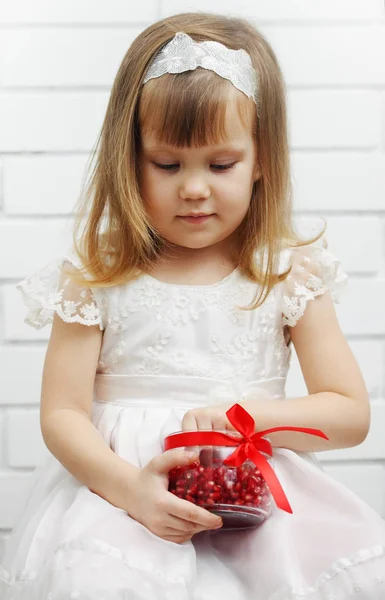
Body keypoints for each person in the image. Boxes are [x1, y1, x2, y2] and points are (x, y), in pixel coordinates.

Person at [1, 11, 384, 600]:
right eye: (168, 164)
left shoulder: (286, 272)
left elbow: (349, 414)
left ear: (262, 163)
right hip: (123, 499)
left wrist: (245, 417)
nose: (195, 187)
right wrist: (131, 491)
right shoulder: (97, 276)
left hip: (253, 499)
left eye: (222, 164)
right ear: (130, 161)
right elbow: (62, 415)